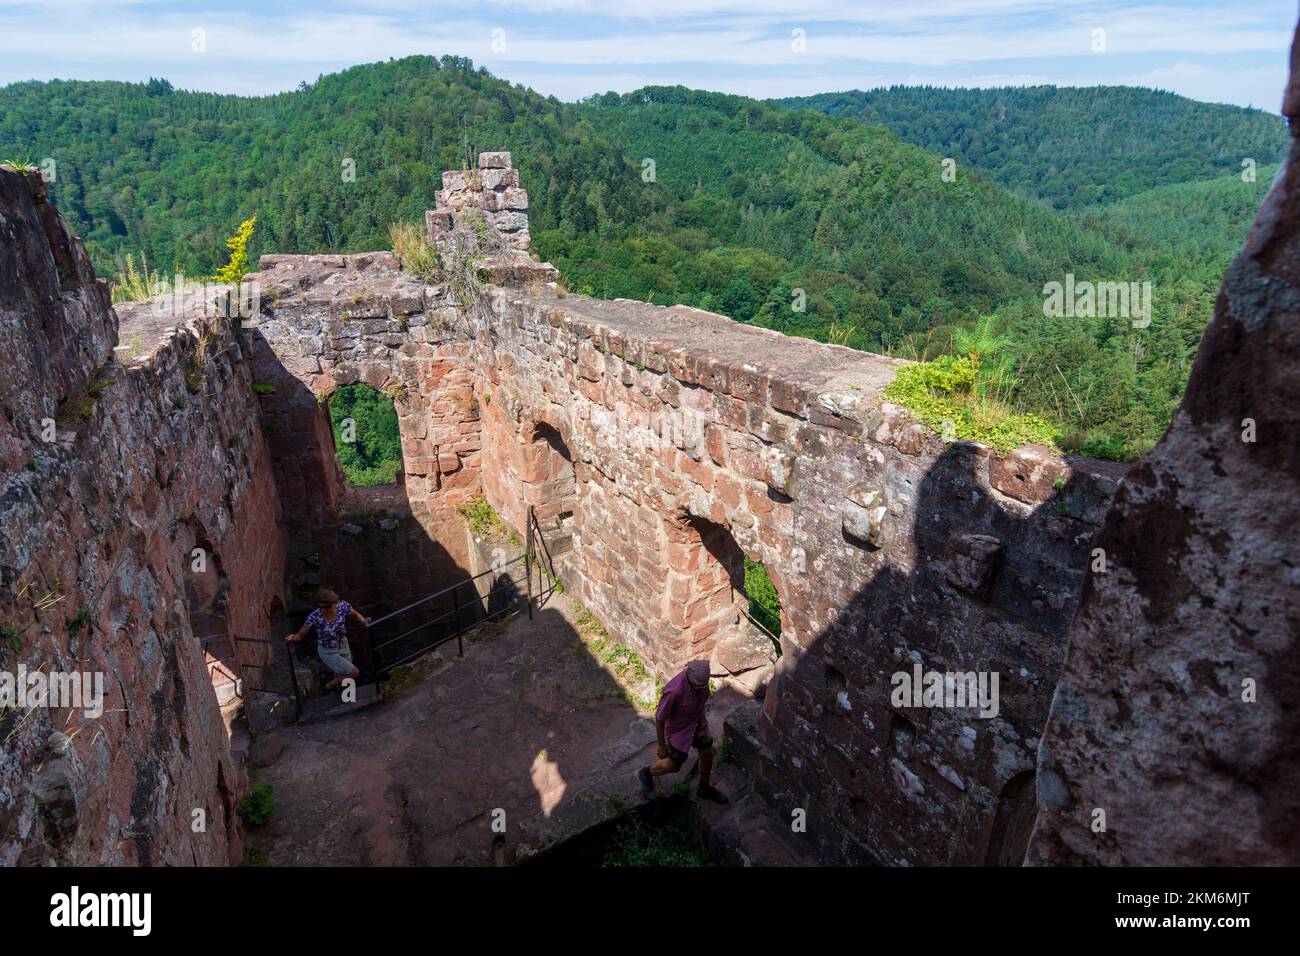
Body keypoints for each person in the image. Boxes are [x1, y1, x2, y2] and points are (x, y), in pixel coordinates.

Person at [639, 659, 728, 804]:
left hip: (698, 725)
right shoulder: (674, 691)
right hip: (679, 732)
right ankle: (646, 773)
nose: (700, 688)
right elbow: (660, 718)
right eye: (697, 685)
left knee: (707, 754)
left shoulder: (701, 684)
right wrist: (662, 746)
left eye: (702, 686)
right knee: (674, 766)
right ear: (688, 674)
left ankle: (704, 788)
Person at [286, 588, 369, 690]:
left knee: (343, 672)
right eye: (320, 607)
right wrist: (294, 637)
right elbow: (300, 635)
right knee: (354, 672)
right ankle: (329, 685)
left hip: (343, 644)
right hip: (328, 651)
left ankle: (344, 695)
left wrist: (363, 620)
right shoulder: (315, 616)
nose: (323, 610)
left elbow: (356, 614)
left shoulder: (342, 606)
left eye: (326, 607)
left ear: (335, 602)